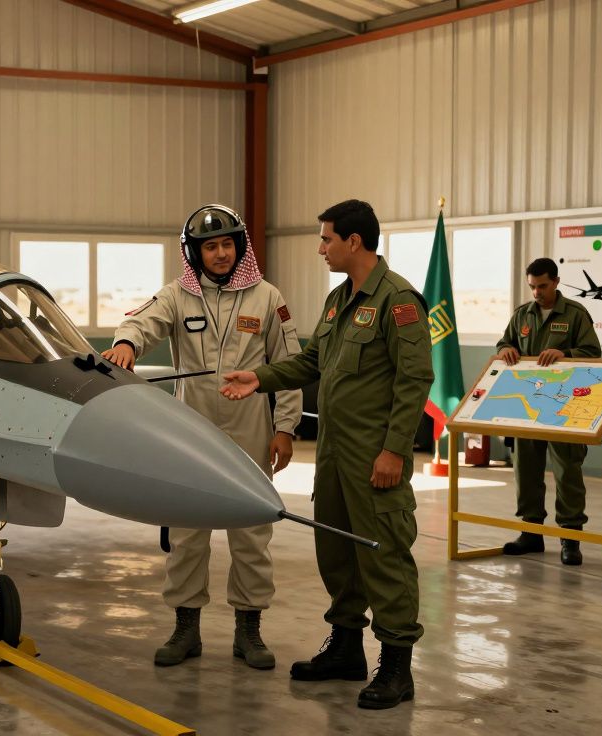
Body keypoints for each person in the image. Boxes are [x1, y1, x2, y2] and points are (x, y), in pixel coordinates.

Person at [221, 199, 432, 710]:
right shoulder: (341, 299)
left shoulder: (398, 300)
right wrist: (260, 378)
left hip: (374, 456)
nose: (320, 248)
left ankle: (397, 667)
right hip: (336, 456)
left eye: (326, 239)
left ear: (353, 242)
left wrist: (394, 452)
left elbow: (414, 380)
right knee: (337, 556)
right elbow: (313, 361)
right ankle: (345, 648)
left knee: (383, 556)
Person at [102, 204, 302, 670]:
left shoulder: (267, 297)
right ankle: (185, 629)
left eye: (227, 244)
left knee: (251, 532)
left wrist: (286, 428)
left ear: (240, 247)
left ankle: (248, 632)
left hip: (250, 427)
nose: (219, 254)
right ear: (194, 252)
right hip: (191, 430)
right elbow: (141, 321)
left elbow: (289, 367)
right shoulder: (177, 296)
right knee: (188, 530)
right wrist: (128, 343)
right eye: (209, 246)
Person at [494, 257, 601, 565]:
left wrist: (565, 353)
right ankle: (530, 533)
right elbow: (504, 342)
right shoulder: (522, 315)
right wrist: (504, 350)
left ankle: (571, 538)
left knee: (568, 470)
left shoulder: (576, 315)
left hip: (565, 405)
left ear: (555, 281)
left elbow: (593, 353)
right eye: (532, 287)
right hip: (528, 403)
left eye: (542, 286)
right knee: (525, 468)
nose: (537, 293)